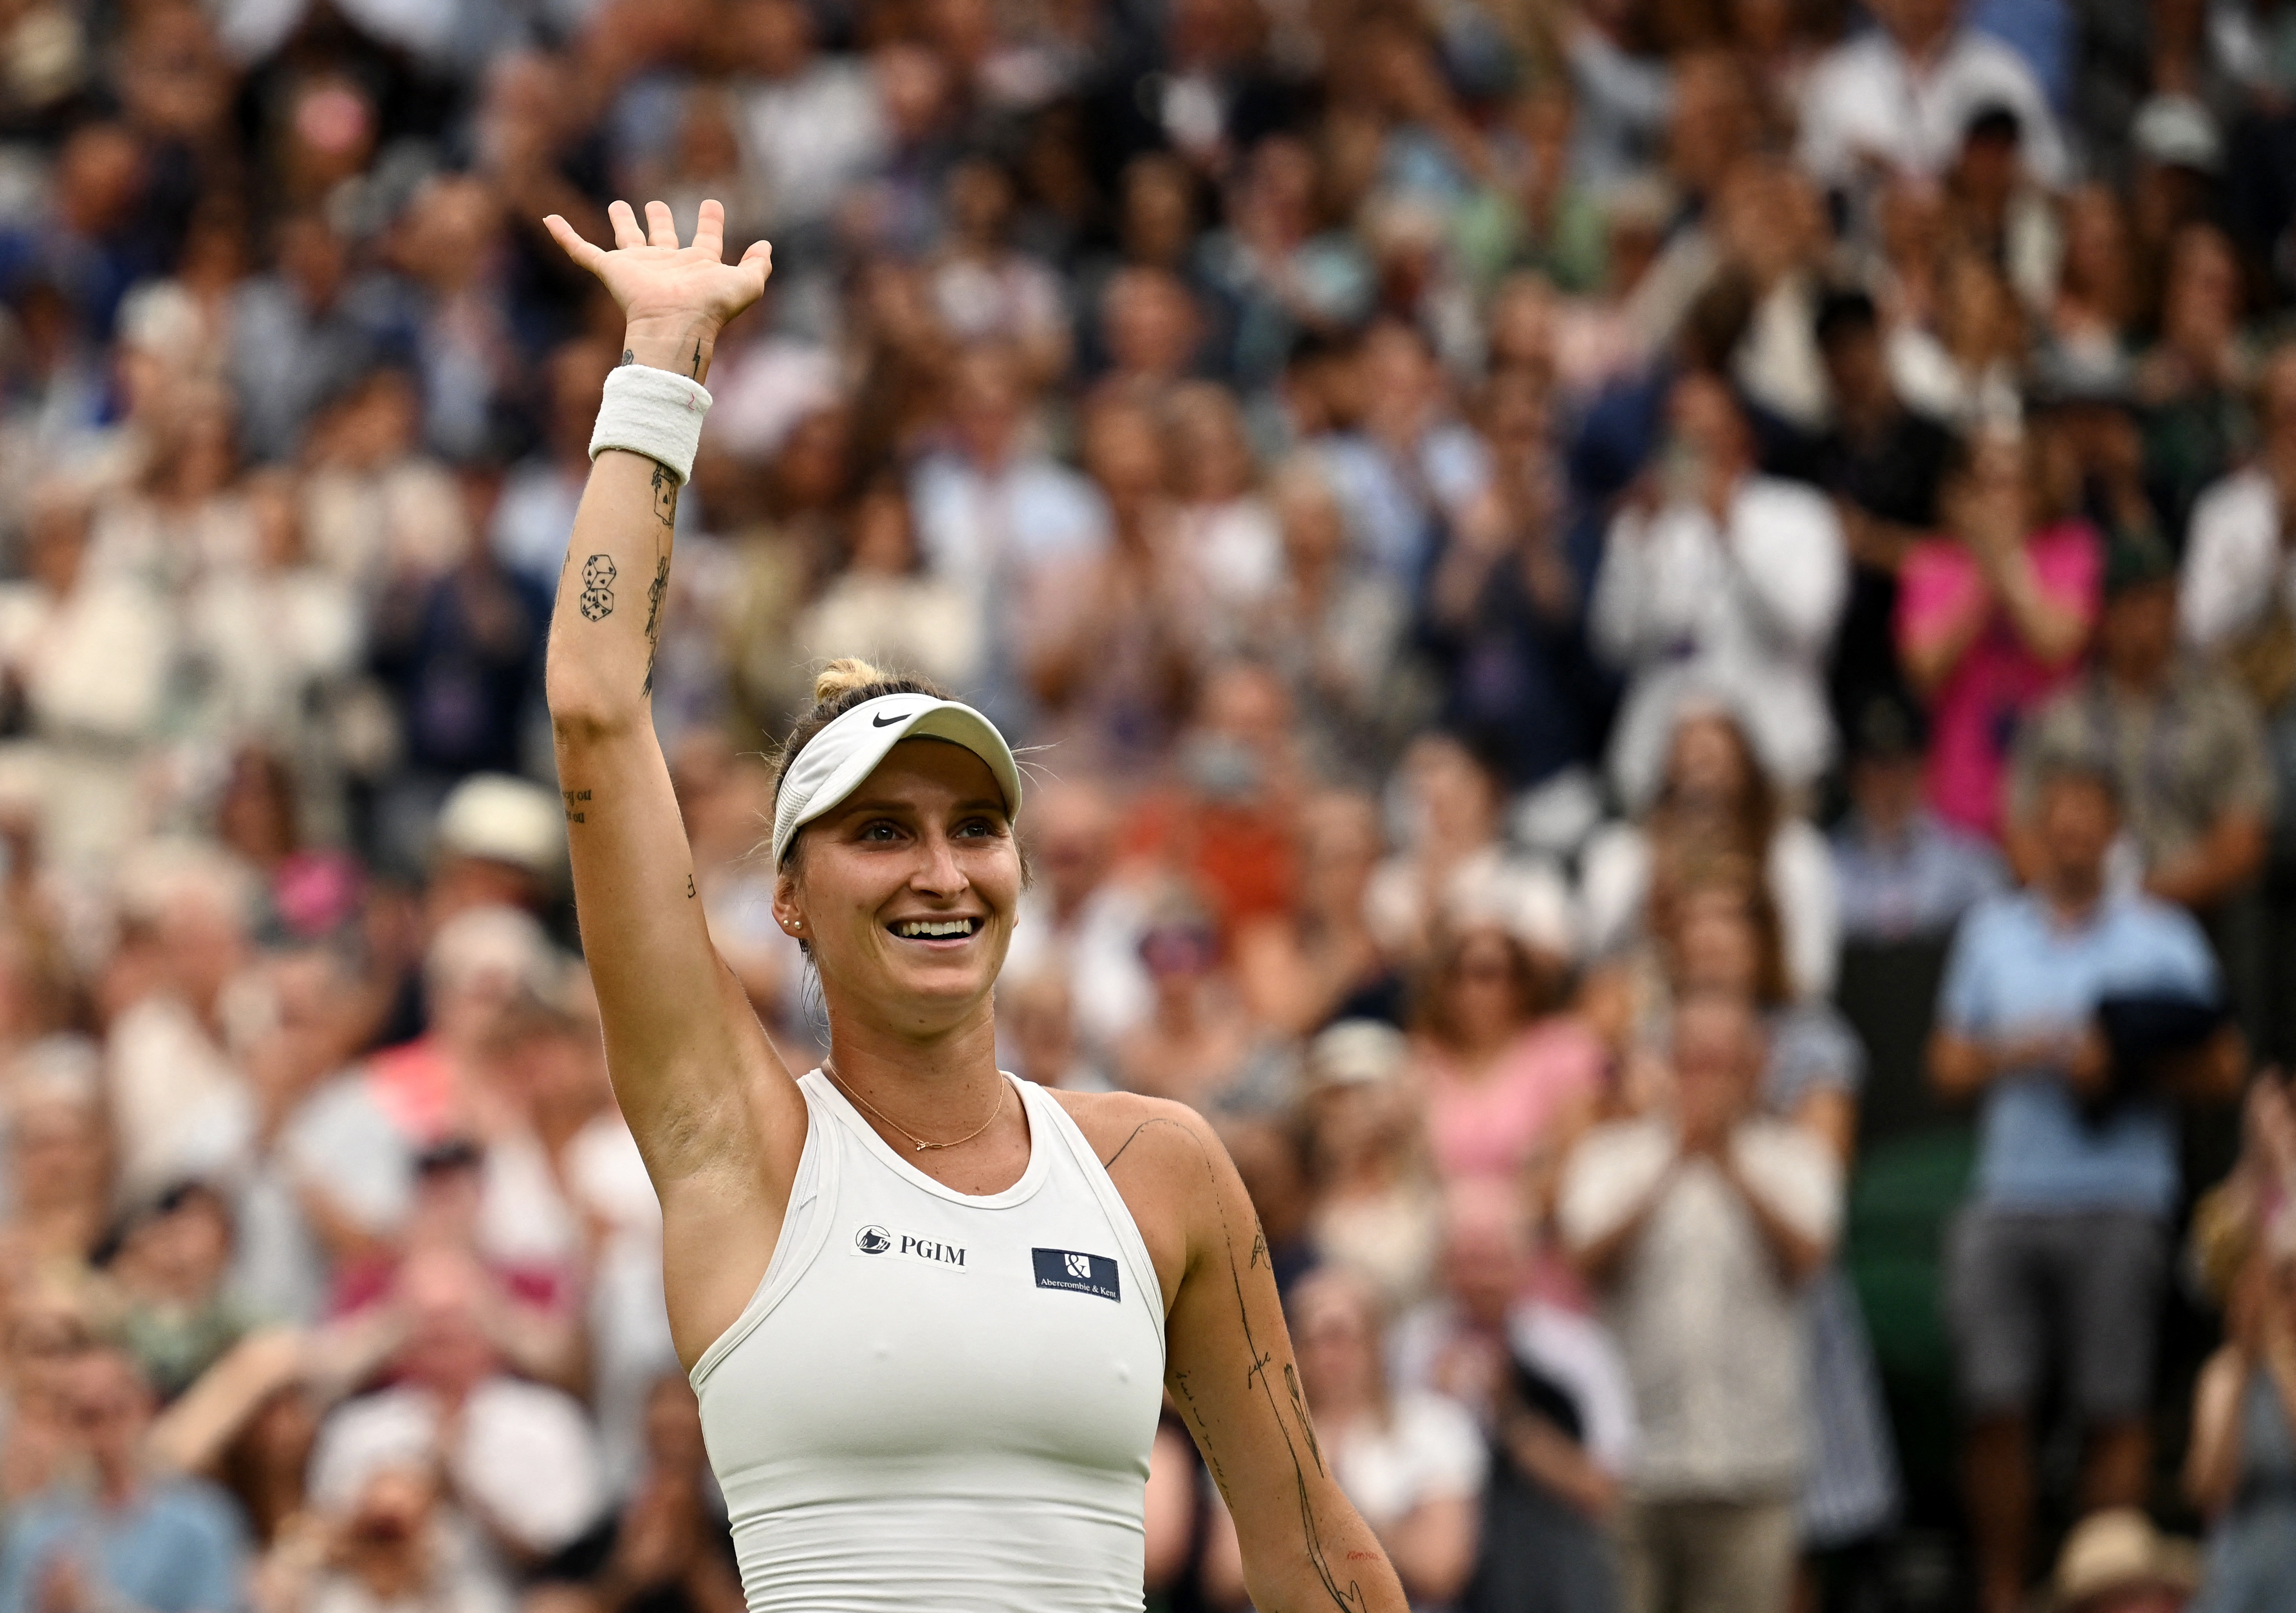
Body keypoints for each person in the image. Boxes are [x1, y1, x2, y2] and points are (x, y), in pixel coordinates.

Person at [539, 199, 1407, 1610]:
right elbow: (592, 709)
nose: (941, 869)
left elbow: (1311, 1542)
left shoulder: (1160, 1167)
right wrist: (662, 361)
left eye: (975, 826)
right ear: (792, 902)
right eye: (880, 831)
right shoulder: (740, 1144)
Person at [1929, 759, 2245, 1613]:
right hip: (2008, 1198)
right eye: (2054, 817)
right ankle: (2004, 1592)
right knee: (1991, 1400)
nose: (2069, 833)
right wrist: (2019, 1052)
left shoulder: (2163, 935)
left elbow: (2222, 1067)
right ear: (2030, 831)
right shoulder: (1988, 931)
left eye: (2086, 817)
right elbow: (1945, 1062)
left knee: (2115, 1404)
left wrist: (2127, 1063)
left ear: (2113, 832)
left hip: (2121, 1198)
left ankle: (2106, 1589)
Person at [1558, 988, 1840, 1613]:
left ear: (1756, 1064)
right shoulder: (1611, 1156)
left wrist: (1729, 1163)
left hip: (1753, 1464)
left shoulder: (1794, 1157)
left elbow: (1807, 1261)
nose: (1706, 1078)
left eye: (1723, 1061)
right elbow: (1584, 1260)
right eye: (1691, 1060)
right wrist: (1671, 1163)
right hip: (1633, 1463)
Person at [0, 1346, 249, 1613]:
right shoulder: (34, 1532)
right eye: (88, 1418)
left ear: (145, 1408)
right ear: (63, 1425)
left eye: (119, 1410)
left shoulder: (202, 1519)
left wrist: (98, 1605)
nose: (107, 1434)